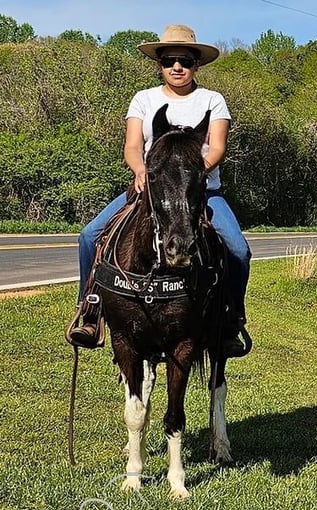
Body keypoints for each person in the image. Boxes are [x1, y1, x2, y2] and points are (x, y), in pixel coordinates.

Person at [68, 24, 251, 357]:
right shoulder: (144, 99)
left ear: (197, 65)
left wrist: (190, 178)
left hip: (203, 192)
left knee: (238, 249)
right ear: (160, 65)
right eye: (169, 60)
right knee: (89, 236)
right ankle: (90, 307)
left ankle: (230, 319)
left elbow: (217, 148)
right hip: (150, 189)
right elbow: (133, 146)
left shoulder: (213, 101)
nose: (177, 67)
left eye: (185, 60)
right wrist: (141, 170)